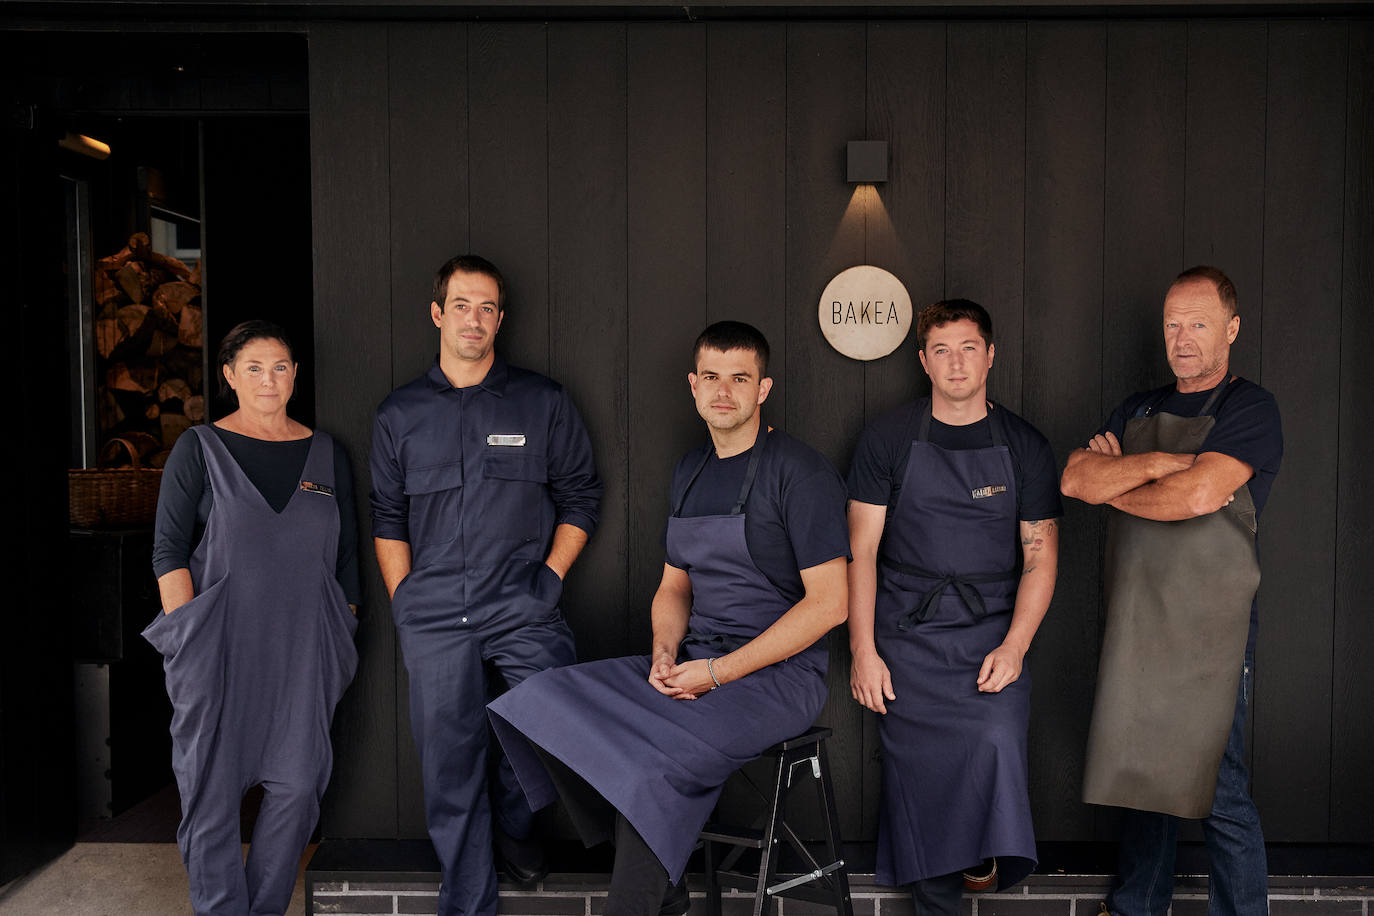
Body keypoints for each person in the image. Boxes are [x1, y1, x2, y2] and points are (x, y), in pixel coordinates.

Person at [487, 321, 850, 916]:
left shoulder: (799, 474)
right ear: (693, 385)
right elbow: (673, 587)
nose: (724, 391)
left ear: (763, 390)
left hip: (778, 680)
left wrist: (720, 672)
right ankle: (667, 883)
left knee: (649, 763)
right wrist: (664, 651)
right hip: (695, 660)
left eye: (740, 378)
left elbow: (829, 604)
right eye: (711, 377)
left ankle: (638, 900)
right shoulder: (691, 471)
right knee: (537, 702)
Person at [370, 254, 602, 916]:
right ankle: (469, 903)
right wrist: (404, 601)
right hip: (435, 613)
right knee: (449, 768)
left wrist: (551, 575)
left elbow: (582, 494)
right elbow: (387, 515)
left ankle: (518, 833)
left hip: (523, 607)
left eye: (488, 308)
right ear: (438, 313)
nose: (475, 319)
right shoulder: (400, 414)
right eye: (463, 305)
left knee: (546, 733)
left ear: (502, 319)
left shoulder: (542, 400)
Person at [1060, 266, 1282, 916]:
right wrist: (1163, 463)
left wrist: (1120, 479)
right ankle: (1136, 907)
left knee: (1223, 789)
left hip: (1212, 634)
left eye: (1199, 324)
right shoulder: (1139, 407)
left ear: (1231, 329)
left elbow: (1201, 496)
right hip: (1137, 624)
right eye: (1173, 324)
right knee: (1140, 781)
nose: (1182, 338)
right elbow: (1076, 479)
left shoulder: (1250, 408)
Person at [846, 299, 1061, 914]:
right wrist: (864, 650)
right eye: (941, 350)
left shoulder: (1023, 444)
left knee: (994, 740)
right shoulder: (889, 436)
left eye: (969, 347)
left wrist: (1015, 645)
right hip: (906, 630)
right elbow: (860, 550)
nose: (956, 362)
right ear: (923, 360)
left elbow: (1041, 557)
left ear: (990, 355)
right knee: (917, 773)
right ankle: (937, 900)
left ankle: (979, 850)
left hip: (991, 629)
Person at [145, 320, 361, 916]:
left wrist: (342, 626)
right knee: (210, 798)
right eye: (255, 368)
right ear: (229, 376)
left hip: (304, 652)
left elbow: (346, 560)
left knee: (297, 791)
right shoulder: (199, 448)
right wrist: (188, 637)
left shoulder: (326, 453)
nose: (270, 379)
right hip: (219, 649)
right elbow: (168, 550)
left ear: (296, 376)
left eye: (281, 367)